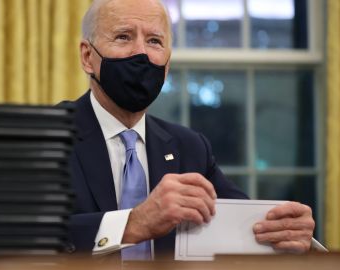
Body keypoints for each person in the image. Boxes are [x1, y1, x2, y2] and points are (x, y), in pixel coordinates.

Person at [66, 0, 315, 260]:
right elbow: (25, 236)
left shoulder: (190, 147)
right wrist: (132, 224)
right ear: (87, 57)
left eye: (154, 41)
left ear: (167, 65)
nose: (141, 53)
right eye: (123, 36)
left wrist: (288, 230)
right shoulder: (44, 138)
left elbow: (249, 228)